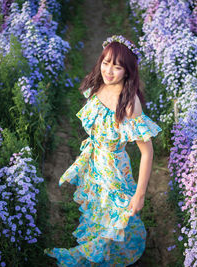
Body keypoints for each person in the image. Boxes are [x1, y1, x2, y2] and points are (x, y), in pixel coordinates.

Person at [44, 35, 162, 266]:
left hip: (115, 171)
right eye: (106, 63)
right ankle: (102, 253)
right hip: (95, 162)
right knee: (99, 211)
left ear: (127, 71)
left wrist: (139, 195)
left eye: (117, 67)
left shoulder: (129, 104)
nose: (109, 71)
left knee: (118, 215)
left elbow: (147, 153)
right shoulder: (97, 86)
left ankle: (102, 255)